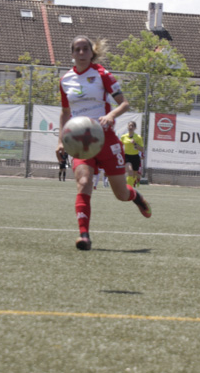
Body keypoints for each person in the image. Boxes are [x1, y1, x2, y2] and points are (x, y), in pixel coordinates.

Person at [56, 35, 152, 251]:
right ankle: (84, 236)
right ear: (72, 54)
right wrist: (60, 140)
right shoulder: (65, 80)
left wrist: (111, 116)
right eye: (77, 50)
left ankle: (136, 196)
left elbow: (124, 104)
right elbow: (65, 113)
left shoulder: (102, 74)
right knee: (84, 182)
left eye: (85, 49)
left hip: (106, 140)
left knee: (121, 194)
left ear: (92, 52)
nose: (81, 53)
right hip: (81, 143)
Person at [120, 121, 145, 189]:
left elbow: (142, 149)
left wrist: (135, 144)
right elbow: (119, 146)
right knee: (130, 172)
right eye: (129, 125)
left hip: (135, 157)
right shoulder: (123, 137)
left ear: (135, 128)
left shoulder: (138, 137)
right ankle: (128, 190)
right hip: (127, 156)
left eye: (132, 126)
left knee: (134, 176)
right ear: (127, 127)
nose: (130, 127)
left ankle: (131, 187)